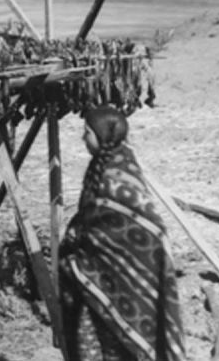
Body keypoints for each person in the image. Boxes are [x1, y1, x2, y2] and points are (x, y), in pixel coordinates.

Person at [59, 105, 186, 361]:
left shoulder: (115, 175)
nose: (83, 138)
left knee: (120, 348)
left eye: (87, 132)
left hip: (115, 278)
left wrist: (79, 247)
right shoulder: (105, 164)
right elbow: (92, 218)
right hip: (100, 281)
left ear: (103, 135)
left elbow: (124, 227)